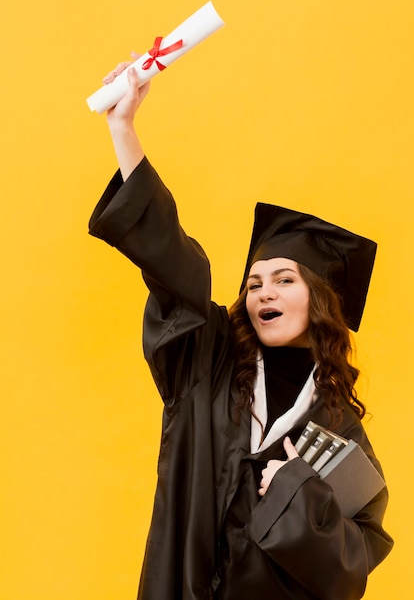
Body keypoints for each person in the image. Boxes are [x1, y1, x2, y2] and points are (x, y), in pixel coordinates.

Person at [89, 63, 393, 600]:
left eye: (283, 279)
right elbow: (174, 267)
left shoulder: (340, 430)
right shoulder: (203, 362)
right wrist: (124, 128)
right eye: (254, 283)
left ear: (319, 301)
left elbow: (349, 571)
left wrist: (296, 493)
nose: (263, 293)